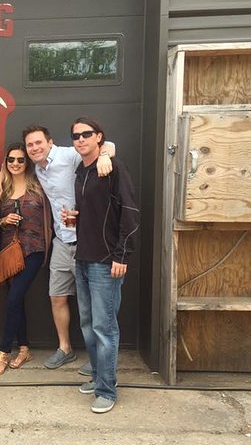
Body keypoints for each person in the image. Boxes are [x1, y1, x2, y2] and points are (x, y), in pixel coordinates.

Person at [0, 125, 114, 374]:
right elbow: (11, 168)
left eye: (38, 143)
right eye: (30, 145)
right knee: (57, 297)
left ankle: (98, 360)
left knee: (91, 306)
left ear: (49, 142)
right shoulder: (38, 170)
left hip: (85, 242)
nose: (34, 148)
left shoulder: (67, 155)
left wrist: (104, 156)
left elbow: (108, 145)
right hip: (60, 242)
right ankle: (65, 349)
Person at [68, 117, 139, 414]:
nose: (81, 139)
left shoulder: (113, 168)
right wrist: (74, 219)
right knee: (88, 324)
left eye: (86, 134)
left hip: (106, 261)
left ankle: (107, 390)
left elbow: (130, 213)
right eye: (76, 136)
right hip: (82, 258)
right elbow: (96, 213)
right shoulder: (81, 170)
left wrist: (121, 256)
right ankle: (99, 376)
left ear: (99, 137)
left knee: (104, 327)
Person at [0, 143, 52, 376]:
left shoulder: (39, 185)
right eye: (11, 159)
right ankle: (24, 349)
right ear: (5, 162)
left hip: (34, 249)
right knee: (16, 300)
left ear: (27, 163)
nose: (15, 163)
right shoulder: (1, 189)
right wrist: (3, 221)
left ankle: (4, 352)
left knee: (14, 297)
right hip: (8, 251)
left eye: (20, 160)